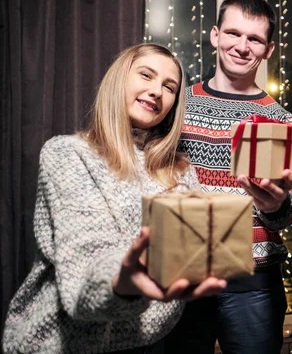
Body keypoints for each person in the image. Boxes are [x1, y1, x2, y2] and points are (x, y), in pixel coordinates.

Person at [1, 43, 227, 353]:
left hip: (149, 344)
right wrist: (122, 281)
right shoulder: (68, 155)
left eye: (169, 87)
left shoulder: (181, 172)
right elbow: (87, 259)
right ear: (119, 79)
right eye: (146, 75)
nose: (156, 91)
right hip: (64, 344)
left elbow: (195, 251)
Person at [166, 0, 292, 353]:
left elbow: (289, 214)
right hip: (185, 269)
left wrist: (275, 207)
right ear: (215, 35)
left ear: (268, 49)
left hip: (252, 280)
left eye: (255, 38)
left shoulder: (282, 121)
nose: (242, 46)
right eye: (233, 34)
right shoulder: (179, 106)